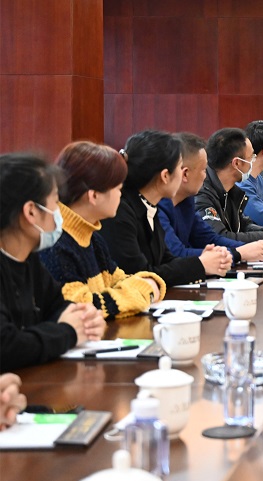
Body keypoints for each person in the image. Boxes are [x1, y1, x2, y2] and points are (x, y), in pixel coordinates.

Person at [1, 154, 106, 372]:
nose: (60, 213)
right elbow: (6, 346)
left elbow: (57, 305)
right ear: (31, 211)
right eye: (56, 202)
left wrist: (85, 318)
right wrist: (69, 331)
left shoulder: (29, 259)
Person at [39, 142, 167, 319]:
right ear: (94, 196)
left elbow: (124, 279)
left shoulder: (93, 239)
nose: (121, 194)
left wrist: (147, 284)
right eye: (118, 189)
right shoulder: (55, 244)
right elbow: (82, 309)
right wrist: (145, 291)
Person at [99, 130, 231, 287]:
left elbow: (166, 260)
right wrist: (200, 264)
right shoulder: (120, 212)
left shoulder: (148, 205)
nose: (183, 174)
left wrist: (205, 260)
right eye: (180, 167)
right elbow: (140, 275)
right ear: (165, 176)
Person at [158, 133, 263, 263]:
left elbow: (209, 238)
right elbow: (176, 254)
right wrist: (238, 253)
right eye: (203, 170)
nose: (205, 176)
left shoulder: (187, 201)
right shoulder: (159, 207)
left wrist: (249, 248)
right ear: (184, 173)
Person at [195, 127, 263, 245]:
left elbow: (243, 225)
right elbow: (219, 237)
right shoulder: (202, 194)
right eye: (251, 157)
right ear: (236, 163)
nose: (253, 161)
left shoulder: (232, 191)